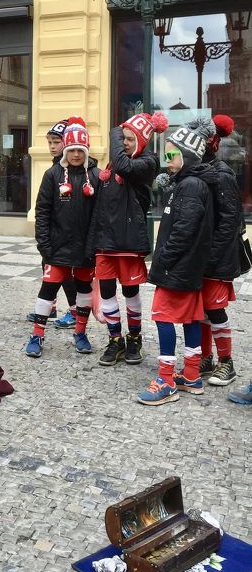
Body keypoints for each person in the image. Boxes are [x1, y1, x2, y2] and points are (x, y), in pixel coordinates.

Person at [137, 124, 216, 406]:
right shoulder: (189, 183)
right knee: (193, 317)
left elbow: (185, 229)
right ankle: (192, 375)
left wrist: (164, 259)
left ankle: (166, 379)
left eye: (172, 154)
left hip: (178, 268)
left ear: (187, 156)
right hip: (188, 268)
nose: (167, 160)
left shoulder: (191, 185)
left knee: (163, 316)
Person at [88, 112, 166, 367]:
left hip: (130, 244)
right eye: (123, 138)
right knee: (108, 291)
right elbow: (100, 207)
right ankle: (115, 340)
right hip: (106, 244)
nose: (124, 143)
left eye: (130, 139)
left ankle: (134, 339)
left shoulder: (147, 163)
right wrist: (93, 242)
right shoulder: (111, 169)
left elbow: (123, 165)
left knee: (131, 292)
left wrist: (114, 132)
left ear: (142, 142)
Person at [24, 117, 99, 358]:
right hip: (56, 249)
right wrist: (44, 246)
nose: (76, 154)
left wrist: (94, 247)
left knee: (84, 293)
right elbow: (42, 212)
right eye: (72, 149)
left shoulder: (96, 176)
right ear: (66, 149)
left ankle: (80, 332)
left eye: (80, 150)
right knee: (47, 291)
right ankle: (37, 334)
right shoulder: (52, 174)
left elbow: (100, 217)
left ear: (86, 151)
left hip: (86, 251)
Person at [187, 115, 243, 387]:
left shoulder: (222, 174)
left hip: (218, 257)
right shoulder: (196, 170)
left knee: (216, 310)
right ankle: (207, 358)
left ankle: (227, 362)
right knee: (202, 311)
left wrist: (213, 257)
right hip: (201, 255)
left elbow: (230, 220)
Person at [26, 119, 77, 330]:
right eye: (50, 142)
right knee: (47, 266)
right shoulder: (55, 167)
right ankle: (52, 306)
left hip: (69, 235)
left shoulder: (72, 167)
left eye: (56, 142)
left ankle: (74, 311)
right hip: (53, 232)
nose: (52, 146)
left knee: (65, 272)